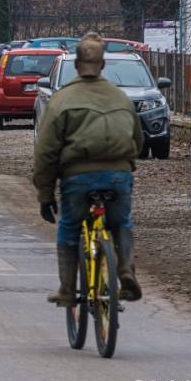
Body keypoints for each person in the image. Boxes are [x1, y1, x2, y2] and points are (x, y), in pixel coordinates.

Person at [33, 32, 144, 306]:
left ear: (76, 65)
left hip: (78, 177)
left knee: (70, 228)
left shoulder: (62, 100)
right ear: (103, 65)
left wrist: (45, 195)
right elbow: (137, 140)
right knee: (121, 223)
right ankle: (126, 270)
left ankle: (68, 290)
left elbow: (46, 152)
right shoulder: (120, 97)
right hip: (119, 176)